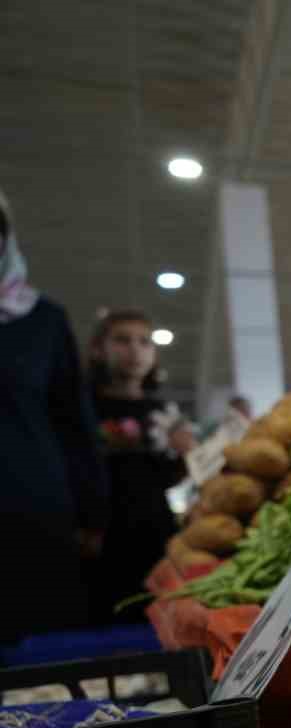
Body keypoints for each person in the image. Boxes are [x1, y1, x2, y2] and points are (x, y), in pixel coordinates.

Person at [0, 188, 108, 642]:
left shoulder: (43, 320)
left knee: (41, 648)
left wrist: (92, 512)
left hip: (32, 507)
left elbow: (73, 420)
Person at [88, 309, 195, 622]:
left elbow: (170, 478)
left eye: (144, 342)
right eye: (122, 340)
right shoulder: (82, 406)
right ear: (99, 348)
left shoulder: (163, 410)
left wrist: (187, 456)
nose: (135, 349)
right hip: (101, 533)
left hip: (155, 529)